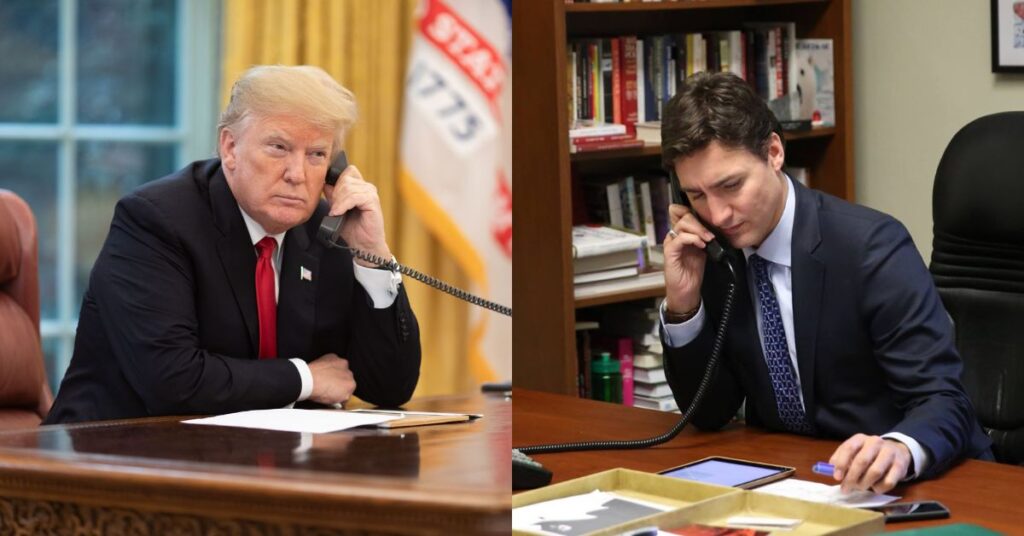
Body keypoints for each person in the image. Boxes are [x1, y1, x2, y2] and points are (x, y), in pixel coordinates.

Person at [659, 72, 991, 494]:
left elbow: (945, 400)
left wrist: (898, 448)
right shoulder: (715, 253)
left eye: (732, 185)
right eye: (697, 195)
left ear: (774, 152)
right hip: (797, 479)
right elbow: (709, 413)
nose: (719, 214)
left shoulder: (871, 247)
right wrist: (684, 304)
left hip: (914, 484)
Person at [45, 65, 420, 424]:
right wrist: (306, 378)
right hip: (110, 452)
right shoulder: (156, 221)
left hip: (257, 455)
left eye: (316, 155)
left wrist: (373, 255)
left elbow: (389, 387)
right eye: (278, 147)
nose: (297, 174)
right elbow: (172, 381)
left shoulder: (328, 230)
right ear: (230, 147)